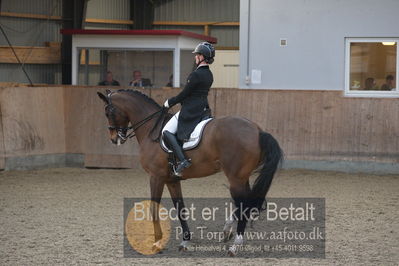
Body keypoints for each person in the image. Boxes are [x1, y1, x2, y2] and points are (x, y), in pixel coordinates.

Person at [162, 42, 215, 176]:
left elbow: (184, 94)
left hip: (191, 110)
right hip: (202, 107)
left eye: (197, 55)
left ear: (202, 57)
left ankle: (183, 160)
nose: (195, 57)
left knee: (166, 132)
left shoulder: (195, 75)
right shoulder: (209, 74)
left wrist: (170, 102)